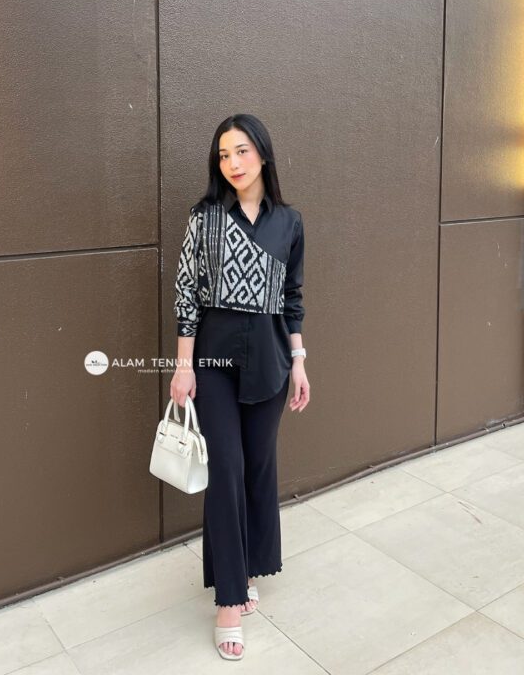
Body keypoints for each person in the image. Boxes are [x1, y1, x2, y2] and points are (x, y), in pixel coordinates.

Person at [170, 113, 310, 660]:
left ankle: (249, 566)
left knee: (258, 468)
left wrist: (299, 362)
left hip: (271, 362)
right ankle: (229, 600)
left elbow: (292, 298)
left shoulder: (289, 222)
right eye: (224, 154)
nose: (232, 163)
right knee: (225, 471)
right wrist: (183, 367)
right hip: (214, 361)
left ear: (263, 154)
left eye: (243, 151)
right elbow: (186, 293)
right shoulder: (204, 217)